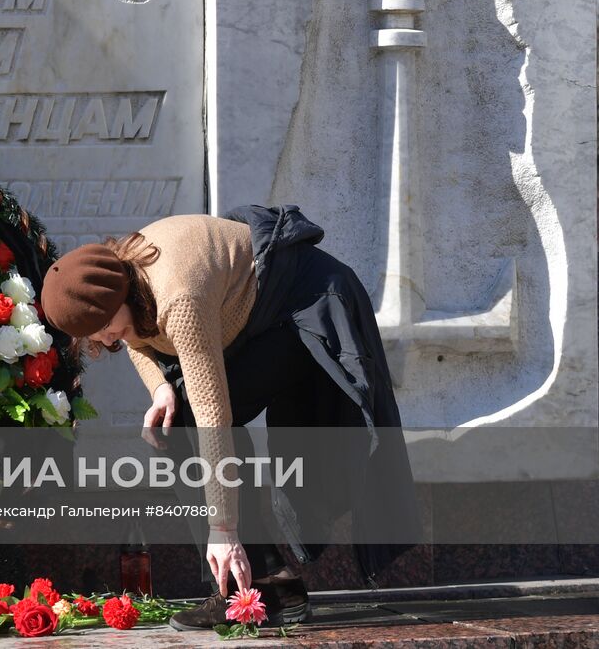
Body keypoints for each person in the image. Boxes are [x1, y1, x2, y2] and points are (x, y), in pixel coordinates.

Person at [38, 204, 421, 631]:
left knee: (189, 423)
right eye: (94, 337)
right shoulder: (125, 281)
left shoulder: (177, 297)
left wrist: (223, 529)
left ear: (121, 293)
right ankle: (266, 584)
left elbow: (213, 417)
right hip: (258, 315)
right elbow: (136, 339)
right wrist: (161, 388)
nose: (107, 338)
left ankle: (256, 585)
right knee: (173, 419)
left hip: (306, 306)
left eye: (107, 325)